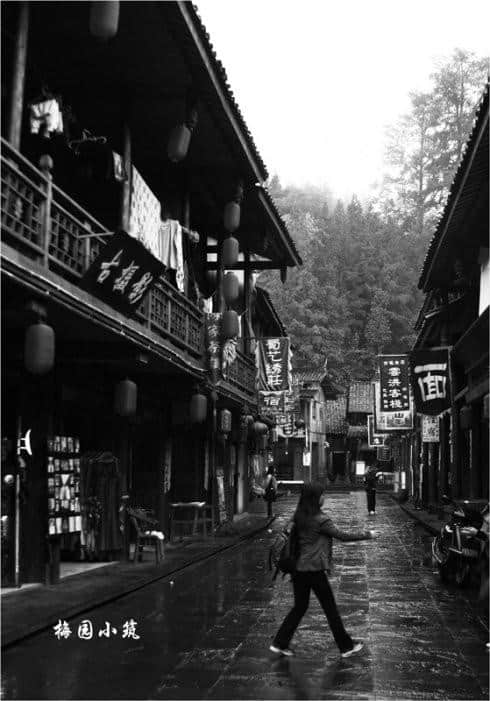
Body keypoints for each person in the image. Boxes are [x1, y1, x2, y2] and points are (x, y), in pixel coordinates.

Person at [270, 482, 375, 658]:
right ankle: (346, 646)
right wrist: (368, 535)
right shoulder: (321, 520)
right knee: (330, 608)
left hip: (298, 570)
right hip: (314, 570)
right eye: (322, 494)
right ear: (315, 498)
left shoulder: (298, 516)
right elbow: (343, 536)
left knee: (300, 607)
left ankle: (280, 642)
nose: (324, 497)